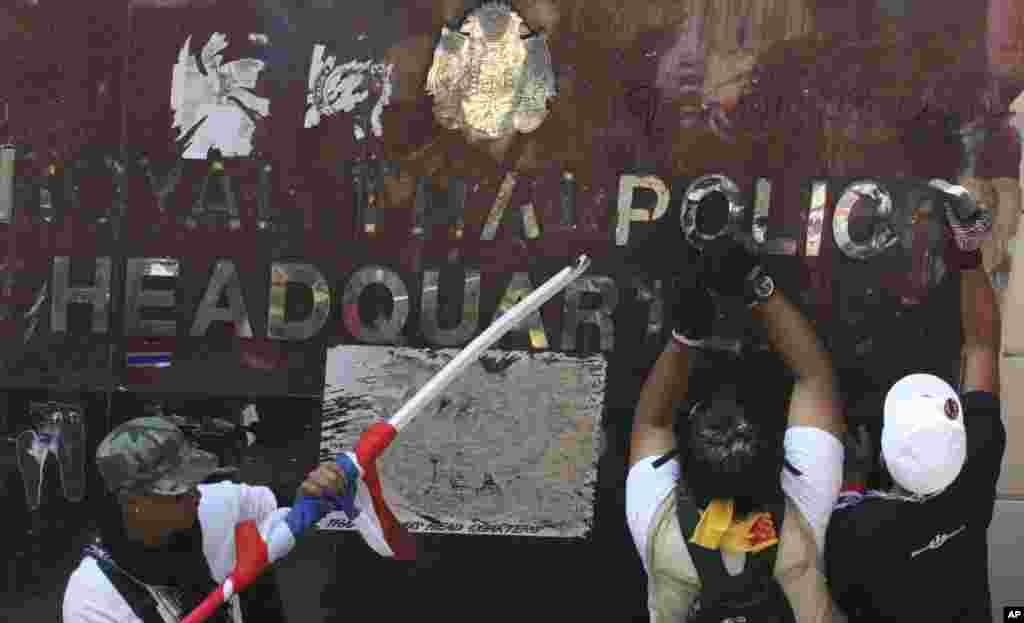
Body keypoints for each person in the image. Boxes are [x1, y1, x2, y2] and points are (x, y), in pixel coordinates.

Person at [626, 236, 847, 622]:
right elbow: (815, 378)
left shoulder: (658, 529)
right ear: (778, 468)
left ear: (681, 479)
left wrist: (684, 336)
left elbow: (651, 421)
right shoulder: (803, 519)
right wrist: (757, 286)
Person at [825, 198, 1006, 622]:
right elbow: (981, 344)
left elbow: (980, 347)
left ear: (883, 456)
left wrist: (852, 479)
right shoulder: (860, 529)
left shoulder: (859, 533)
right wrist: (969, 254)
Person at [61, 415, 343, 623]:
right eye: (177, 491)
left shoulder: (213, 504)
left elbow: (285, 497)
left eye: (194, 481)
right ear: (131, 502)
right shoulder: (92, 601)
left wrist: (316, 484)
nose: (195, 496)